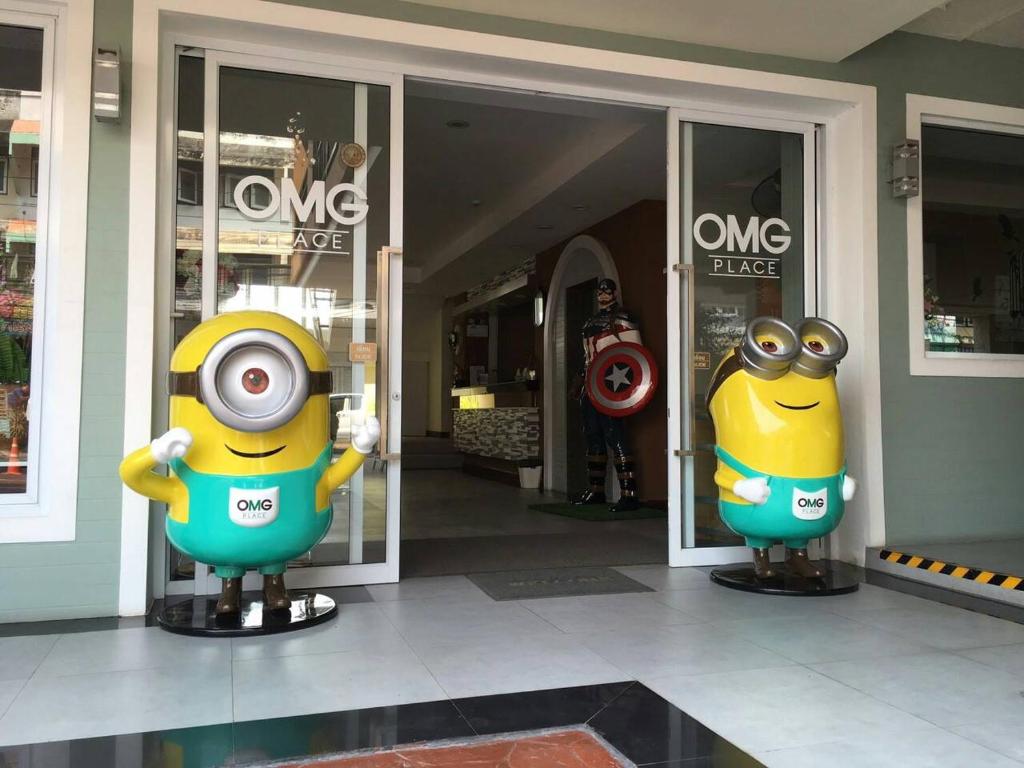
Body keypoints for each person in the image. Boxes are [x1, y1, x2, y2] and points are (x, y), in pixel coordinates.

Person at [570, 278, 642, 512]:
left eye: (607, 290)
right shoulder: (590, 322)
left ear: (614, 292)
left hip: (611, 389)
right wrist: (579, 382)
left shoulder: (623, 319)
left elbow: (635, 355)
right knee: (593, 437)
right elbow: (587, 357)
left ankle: (629, 494)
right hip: (591, 386)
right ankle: (596, 490)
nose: (602, 294)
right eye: (600, 291)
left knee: (616, 436)